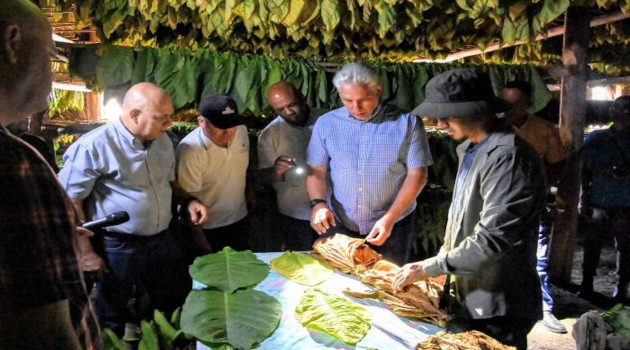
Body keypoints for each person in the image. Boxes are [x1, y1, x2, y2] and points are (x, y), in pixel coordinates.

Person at [393, 69, 547, 350]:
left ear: (478, 110)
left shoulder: (508, 157)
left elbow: (493, 238)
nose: (439, 124)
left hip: (498, 300)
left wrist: (429, 267)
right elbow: (462, 220)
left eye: (447, 115)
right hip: (471, 291)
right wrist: (445, 265)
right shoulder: (471, 148)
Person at [58, 82, 209, 335]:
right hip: (116, 246)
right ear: (134, 114)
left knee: (168, 304)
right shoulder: (94, 146)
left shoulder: (163, 142)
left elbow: (170, 183)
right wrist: (85, 252)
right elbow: (69, 202)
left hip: (161, 240)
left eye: (170, 116)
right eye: (163, 117)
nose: (170, 123)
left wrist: (189, 201)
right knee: (112, 313)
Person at [0, 1, 100, 349]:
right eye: (49, 55)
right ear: (12, 43)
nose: (54, 71)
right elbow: (40, 330)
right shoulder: (12, 164)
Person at [306, 63, 432, 265]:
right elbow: (316, 170)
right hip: (340, 221)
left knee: (388, 284)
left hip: (393, 223)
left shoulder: (408, 123)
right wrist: (318, 203)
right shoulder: (326, 123)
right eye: (348, 100)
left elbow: (417, 175)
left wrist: (390, 218)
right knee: (340, 282)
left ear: (378, 90)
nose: (357, 108)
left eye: (364, 99)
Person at [502, 81, 568, 334]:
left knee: (537, 258)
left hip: (532, 204)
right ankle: (504, 308)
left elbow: (558, 164)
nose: (510, 109)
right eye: (506, 103)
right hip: (500, 205)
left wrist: (541, 186)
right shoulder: (495, 129)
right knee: (500, 256)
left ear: (528, 104)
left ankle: (544, 309)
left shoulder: (544, 130)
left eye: (515, 103)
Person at [176, 94, 251, 253]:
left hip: (240, 219)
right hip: (208, 228)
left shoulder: (241, 132)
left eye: (232, 125)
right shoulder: (190, 150)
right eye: (220, 126)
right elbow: (188, 199)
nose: (229, 132)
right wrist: (200, 240)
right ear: (201, 122)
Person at [259, 81, 326, 251]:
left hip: (331, 211)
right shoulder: (269, 134)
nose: (288, 112)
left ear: (302, 97)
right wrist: (276, 171)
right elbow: (264, 178)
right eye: (280, 110)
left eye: (292, 105)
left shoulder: (327, 121)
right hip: (295, 216)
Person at [579, 96, 630, 303]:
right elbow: (585, 169)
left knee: (625, 249)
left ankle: (620, 288)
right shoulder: (596, 138)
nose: (623, 116)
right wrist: (583, 197)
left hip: (624, 203)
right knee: (593, 245)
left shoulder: (596, 138)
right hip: (600, 200)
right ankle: (587, 284)